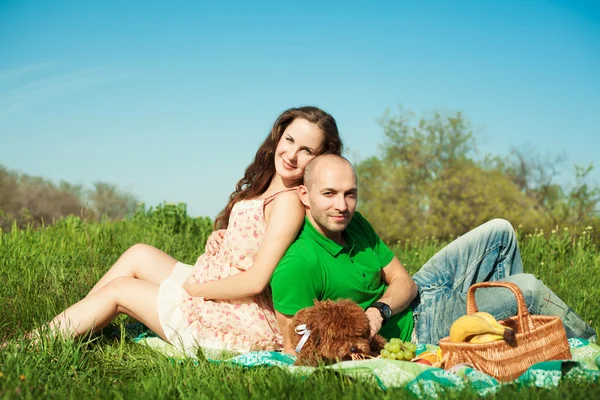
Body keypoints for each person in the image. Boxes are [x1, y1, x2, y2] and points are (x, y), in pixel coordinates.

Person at [21, 106, 343, 357]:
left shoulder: (288, 202)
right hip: (214, 281)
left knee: (121, 289)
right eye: (289, 140)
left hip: (235, 312)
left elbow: (257, 280)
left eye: (306, 150)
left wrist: (197, 290)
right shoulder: (266, 186)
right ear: (278, 137)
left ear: (320, 159)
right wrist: (223, 237)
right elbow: (252, 236)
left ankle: (30, 345)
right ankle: (82, 322)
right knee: (138, 254)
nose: (291, 154)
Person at [269, 154, 597, 352]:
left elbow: (404, 282)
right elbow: (296, 349)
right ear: (305, 195)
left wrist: (378, 311)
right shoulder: (299, 264)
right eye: (329, 194)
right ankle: (590, 346)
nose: (342, 205)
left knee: (501, 231)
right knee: (529, 289)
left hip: (414, 295)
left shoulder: (354, 224)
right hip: (420, 328)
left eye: (349, 194)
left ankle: (500, 343)